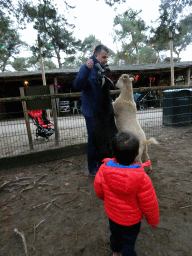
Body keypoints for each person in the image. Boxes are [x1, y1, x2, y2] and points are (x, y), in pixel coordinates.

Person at [94, 131, 159, 256]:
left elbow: (99, 189)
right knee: (128, 242)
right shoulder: (142, 178)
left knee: (115, 235)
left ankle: (115, 251)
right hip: (132, 222)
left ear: (113, 152)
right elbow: (149, 203)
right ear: (136, 155)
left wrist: (106, 199)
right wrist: (153, 220)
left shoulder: (103, 169)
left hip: (112, 215)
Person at [73, 44, 117, 176]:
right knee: (93, 139)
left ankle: (103, 164)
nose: (106, 59)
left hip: (103, 111)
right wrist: (86, 68)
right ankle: (92, 168)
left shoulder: (102, 69)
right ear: (96, 55)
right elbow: (77, 85)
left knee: (104, 138)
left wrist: (109, 100)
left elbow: (103, 89)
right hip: (91, 112)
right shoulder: (87, 68)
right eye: (104, 57)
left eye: (107, 57)